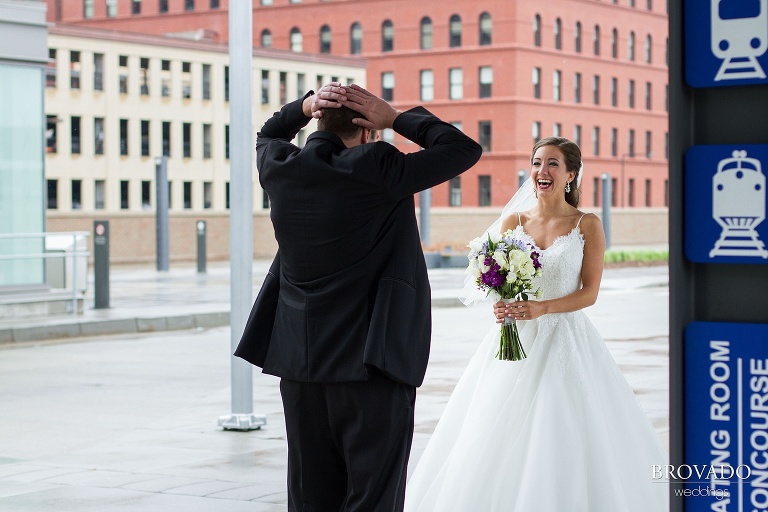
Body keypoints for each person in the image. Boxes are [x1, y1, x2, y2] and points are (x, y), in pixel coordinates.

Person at [234, 83, 482, 512]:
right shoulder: (375, 165)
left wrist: (305, 105)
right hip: (370, 365)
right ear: (365, 131)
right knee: (372, 498)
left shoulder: (278, 165)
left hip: (300, 366)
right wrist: (396, 118)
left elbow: (266, 136)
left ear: (317, 121)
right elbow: (462, 149)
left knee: (311, 497)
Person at [404, 137, 668, 512]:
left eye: (553, 164)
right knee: (493, 429)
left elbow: (589, 292)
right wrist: (500, 303)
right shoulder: (514, 221)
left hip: (564, 339)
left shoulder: (587, 225)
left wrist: (543, 308)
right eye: (537, 163)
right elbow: (491, 275)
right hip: (513, 340)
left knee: (560, 427)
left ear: (570, 175)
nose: (542, 171)